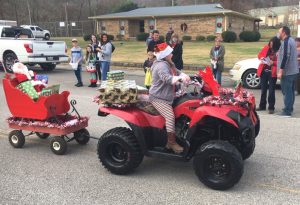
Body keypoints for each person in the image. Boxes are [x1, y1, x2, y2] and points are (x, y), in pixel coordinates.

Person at [149, 42, 190, 153]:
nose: (172, 54)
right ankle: (171, 143)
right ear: (165, 55)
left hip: (167, 96)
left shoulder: (169, 63)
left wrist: (186, 76)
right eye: (170, 53)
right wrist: (179, 79)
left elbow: (177, 72)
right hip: (158, 98)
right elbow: (167, 78)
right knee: (170, 116)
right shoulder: (161, 65)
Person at [277, 26, 299, 116]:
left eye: (279, 32)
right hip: (293, 71)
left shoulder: (286, 42)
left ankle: (287, 111)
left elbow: (286, 56)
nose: (278, 33)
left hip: (288, 72)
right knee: (290, 91)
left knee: (287, 91)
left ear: (284, 33)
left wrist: (280, 71)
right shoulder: (292, 40)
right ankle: (289, 108)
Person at [256, 37, 281, 114]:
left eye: (272, 44)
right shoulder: (266, 47)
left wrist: (273, 63)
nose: (270, 46)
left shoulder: (279, 51)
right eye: (270, 44)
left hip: (272, 73)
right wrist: (262, 57)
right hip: (264, 72)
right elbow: (259, 55)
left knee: (271, 91)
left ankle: (271, 107)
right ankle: (262, 106)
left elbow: (281, 62)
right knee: (263, 90)